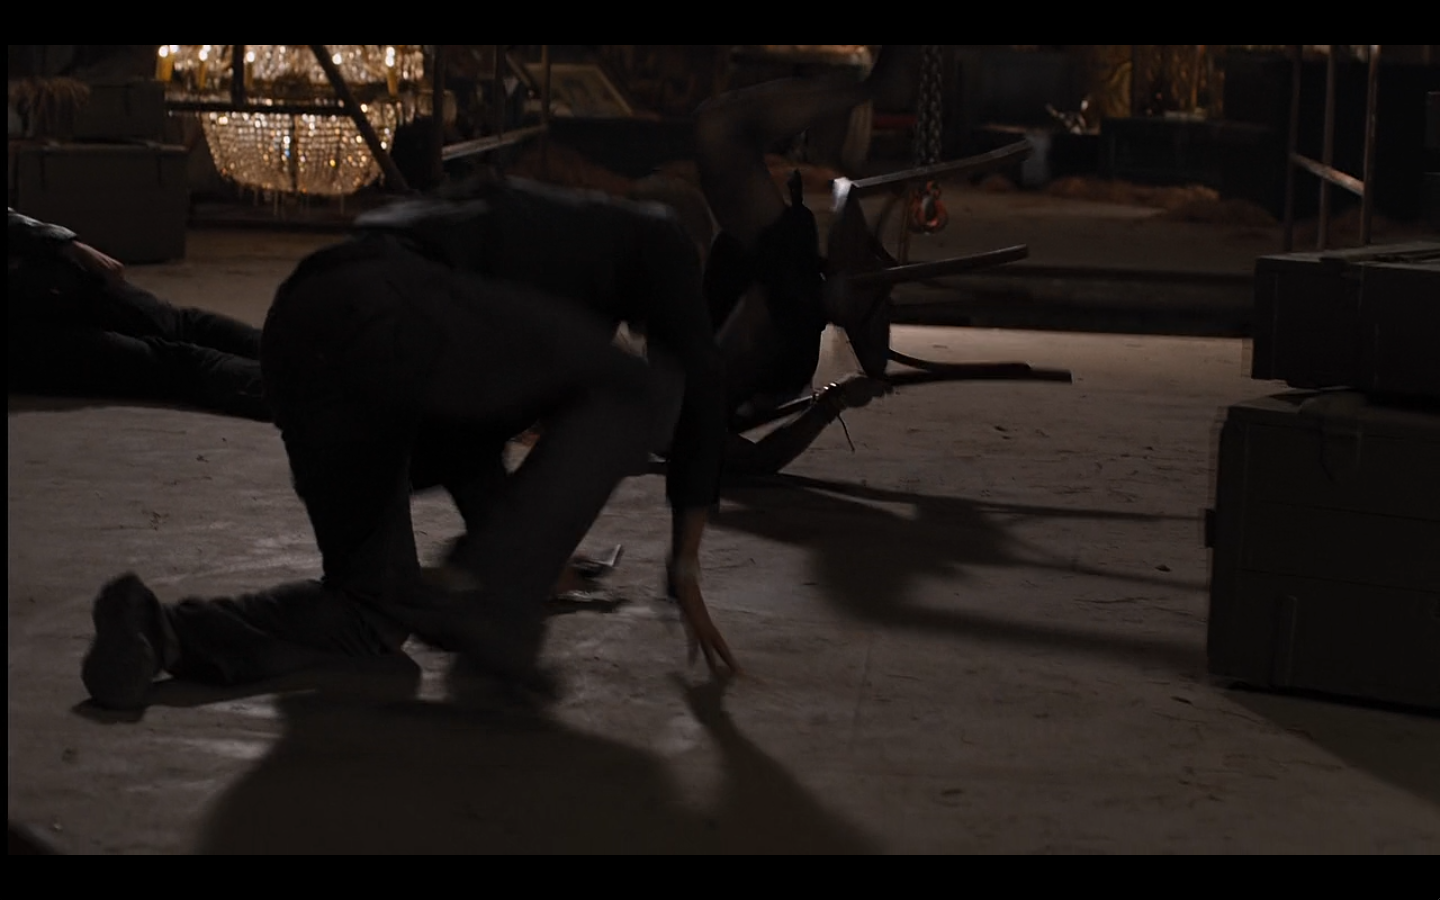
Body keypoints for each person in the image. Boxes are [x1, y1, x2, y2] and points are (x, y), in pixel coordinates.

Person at [80, 173, 739, 712]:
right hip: (387, 304)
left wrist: (521, 549)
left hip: (303, 333)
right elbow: (702, 384)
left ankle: (158, 631)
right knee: (640, 388)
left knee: (370, 614)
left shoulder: (531, 265)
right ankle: (491, 606)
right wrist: (682, 565)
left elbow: (467, 437)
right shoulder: (655, 232)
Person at [7, 208, 269, 421]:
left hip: (35, 276)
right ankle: (288, 390)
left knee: (179, 325)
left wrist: (65, 244)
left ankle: (288, 354)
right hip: (22, 341)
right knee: (173, 363)